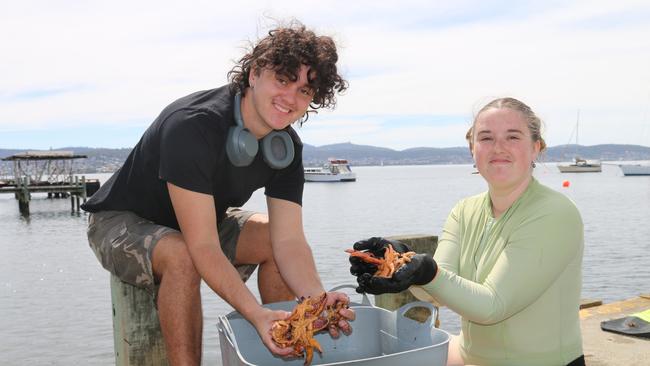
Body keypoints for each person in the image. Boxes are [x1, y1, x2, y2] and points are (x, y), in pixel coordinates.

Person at [82, 21, 354, 365]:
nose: (291, 98)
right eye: (283, 80)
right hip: (121, 221)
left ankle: (288, 345)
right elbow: (203, 247)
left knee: (270, 235)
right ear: (254, 74)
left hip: (202, 221)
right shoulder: (192, 125)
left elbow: (289, 242)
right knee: (181, 256)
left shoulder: (286, 149)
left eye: (305, 90)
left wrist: (317, 299)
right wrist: (255, 313)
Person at [350, 98, 585, 366]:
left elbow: (491, 306)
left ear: (536, 148)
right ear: (472, 149)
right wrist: (401, 262)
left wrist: (428, 271)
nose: (498, 147)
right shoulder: (465, 211)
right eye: (486, 138)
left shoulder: (554, 213)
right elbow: (435, 292)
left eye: (513, 137)